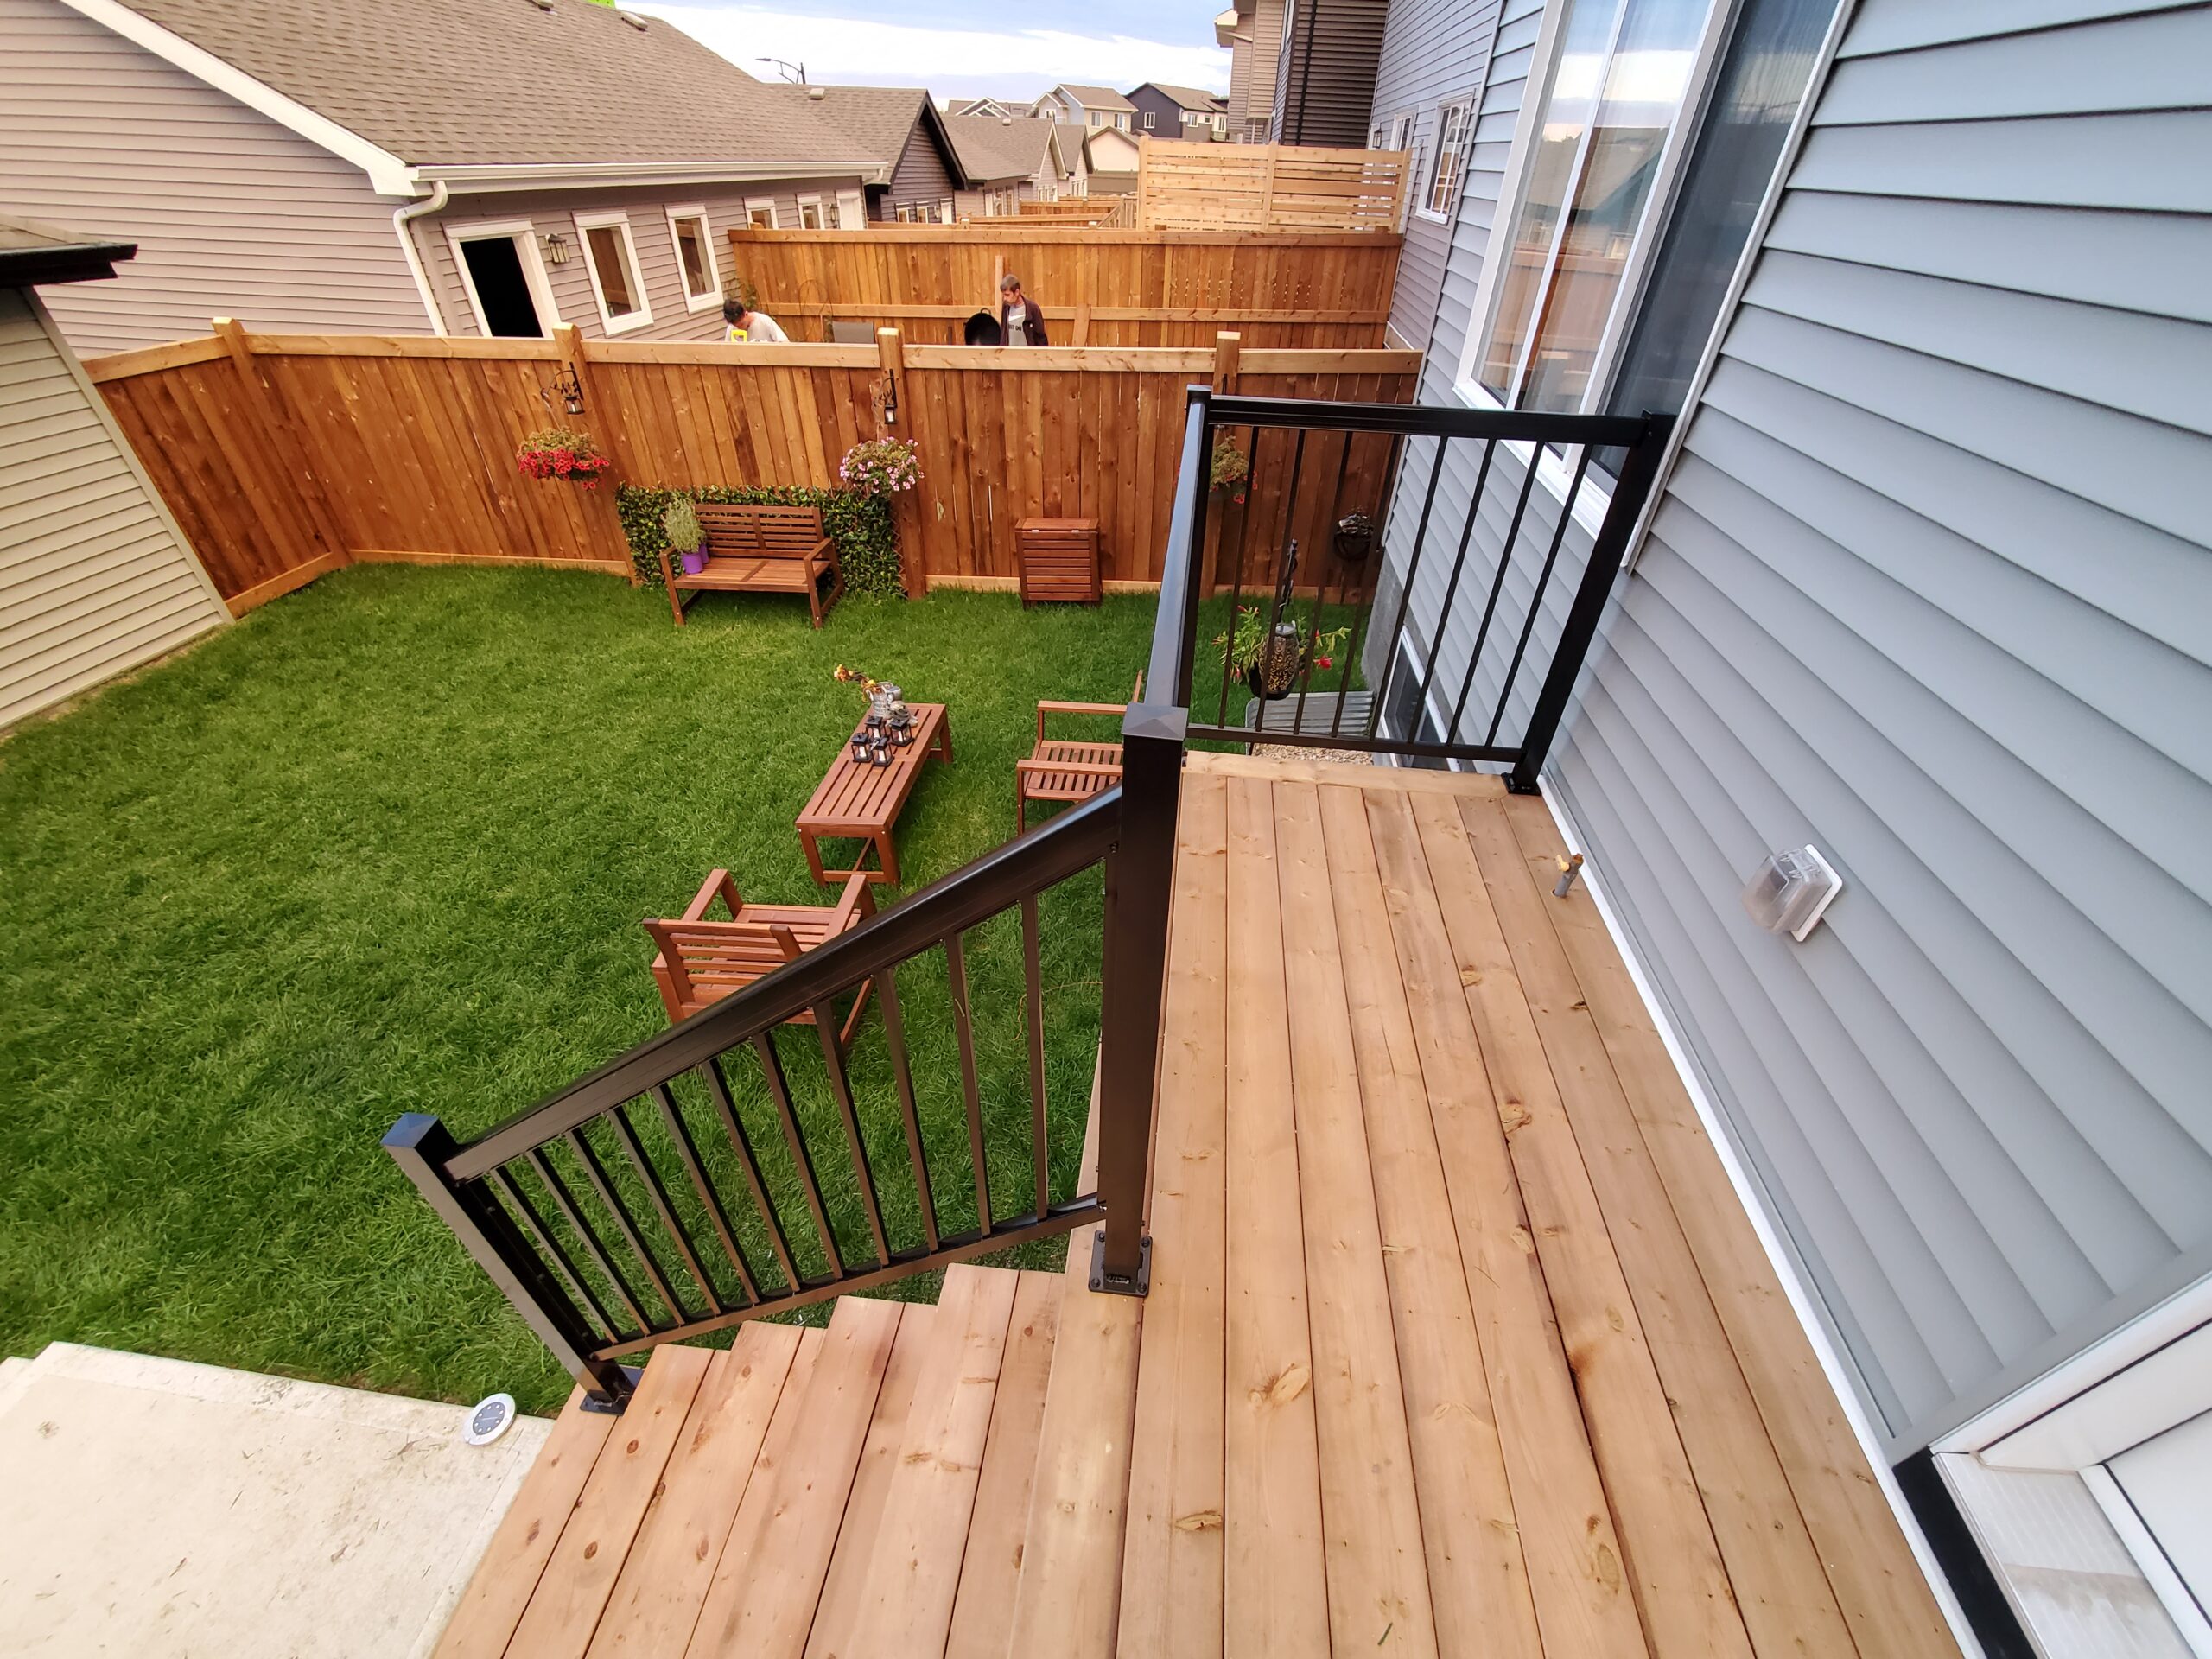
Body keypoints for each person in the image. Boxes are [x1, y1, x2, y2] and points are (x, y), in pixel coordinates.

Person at [998, 274, 1046, 346]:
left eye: (1007, 295)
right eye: (1003, 295)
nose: (1005, 298)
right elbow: (1004, 333)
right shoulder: (1006, 308)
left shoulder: (1032, 309)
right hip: (1010, 354)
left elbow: (1040, 337)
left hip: (1028, 355)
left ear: (1017, 292)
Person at [722, 295, 788, 344]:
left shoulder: (764, 321)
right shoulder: (731, 328)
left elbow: (785, 343)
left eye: (742, 325)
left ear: (746, 314)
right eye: (737, 326)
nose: (740, 328)